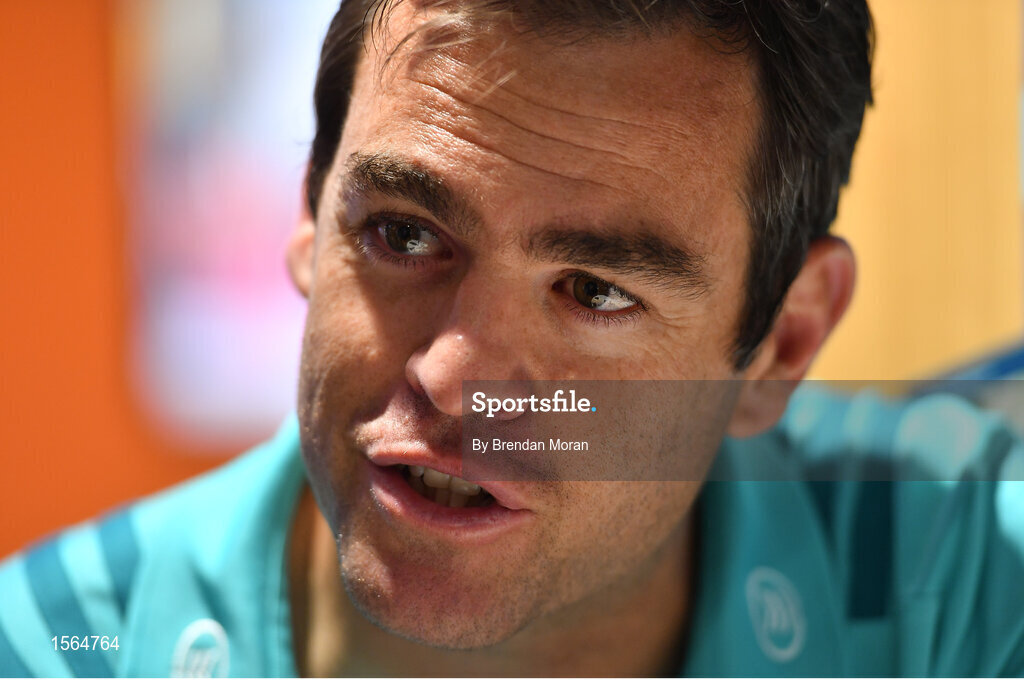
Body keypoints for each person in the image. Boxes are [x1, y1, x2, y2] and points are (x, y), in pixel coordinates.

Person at [2, 0, 1023, 676]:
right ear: (312, 215)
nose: (453, 379)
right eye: (403, 234)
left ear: (781, 344)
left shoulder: (966, 575)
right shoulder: (57, 645)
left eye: (594, 290)